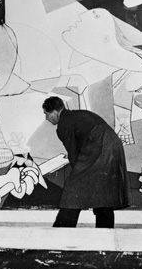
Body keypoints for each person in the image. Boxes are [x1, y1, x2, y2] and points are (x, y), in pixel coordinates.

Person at [42, 96, 129, 228]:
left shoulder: (64, 124)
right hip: (113, 146)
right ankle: (105, 231)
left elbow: (74, 153)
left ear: (54, 112)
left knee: (73, 189)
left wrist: (77, 173)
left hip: (98, 147)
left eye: (46, 114)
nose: (46, 118)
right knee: (103, 189)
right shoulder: (76, 115)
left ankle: (62, 229)